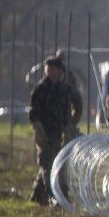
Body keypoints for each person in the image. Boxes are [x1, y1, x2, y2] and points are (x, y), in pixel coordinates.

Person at [28, 57, 74, 205]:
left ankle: (37, 195)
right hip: (44, 133)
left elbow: (67, 113)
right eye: (50, 68)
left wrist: (67, 129)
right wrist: (38, 129)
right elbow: (34, 113)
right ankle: (54, 196)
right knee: (47, 165)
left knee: (56, 164)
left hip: (58, 134)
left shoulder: (64, 90)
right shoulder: (40, 89)